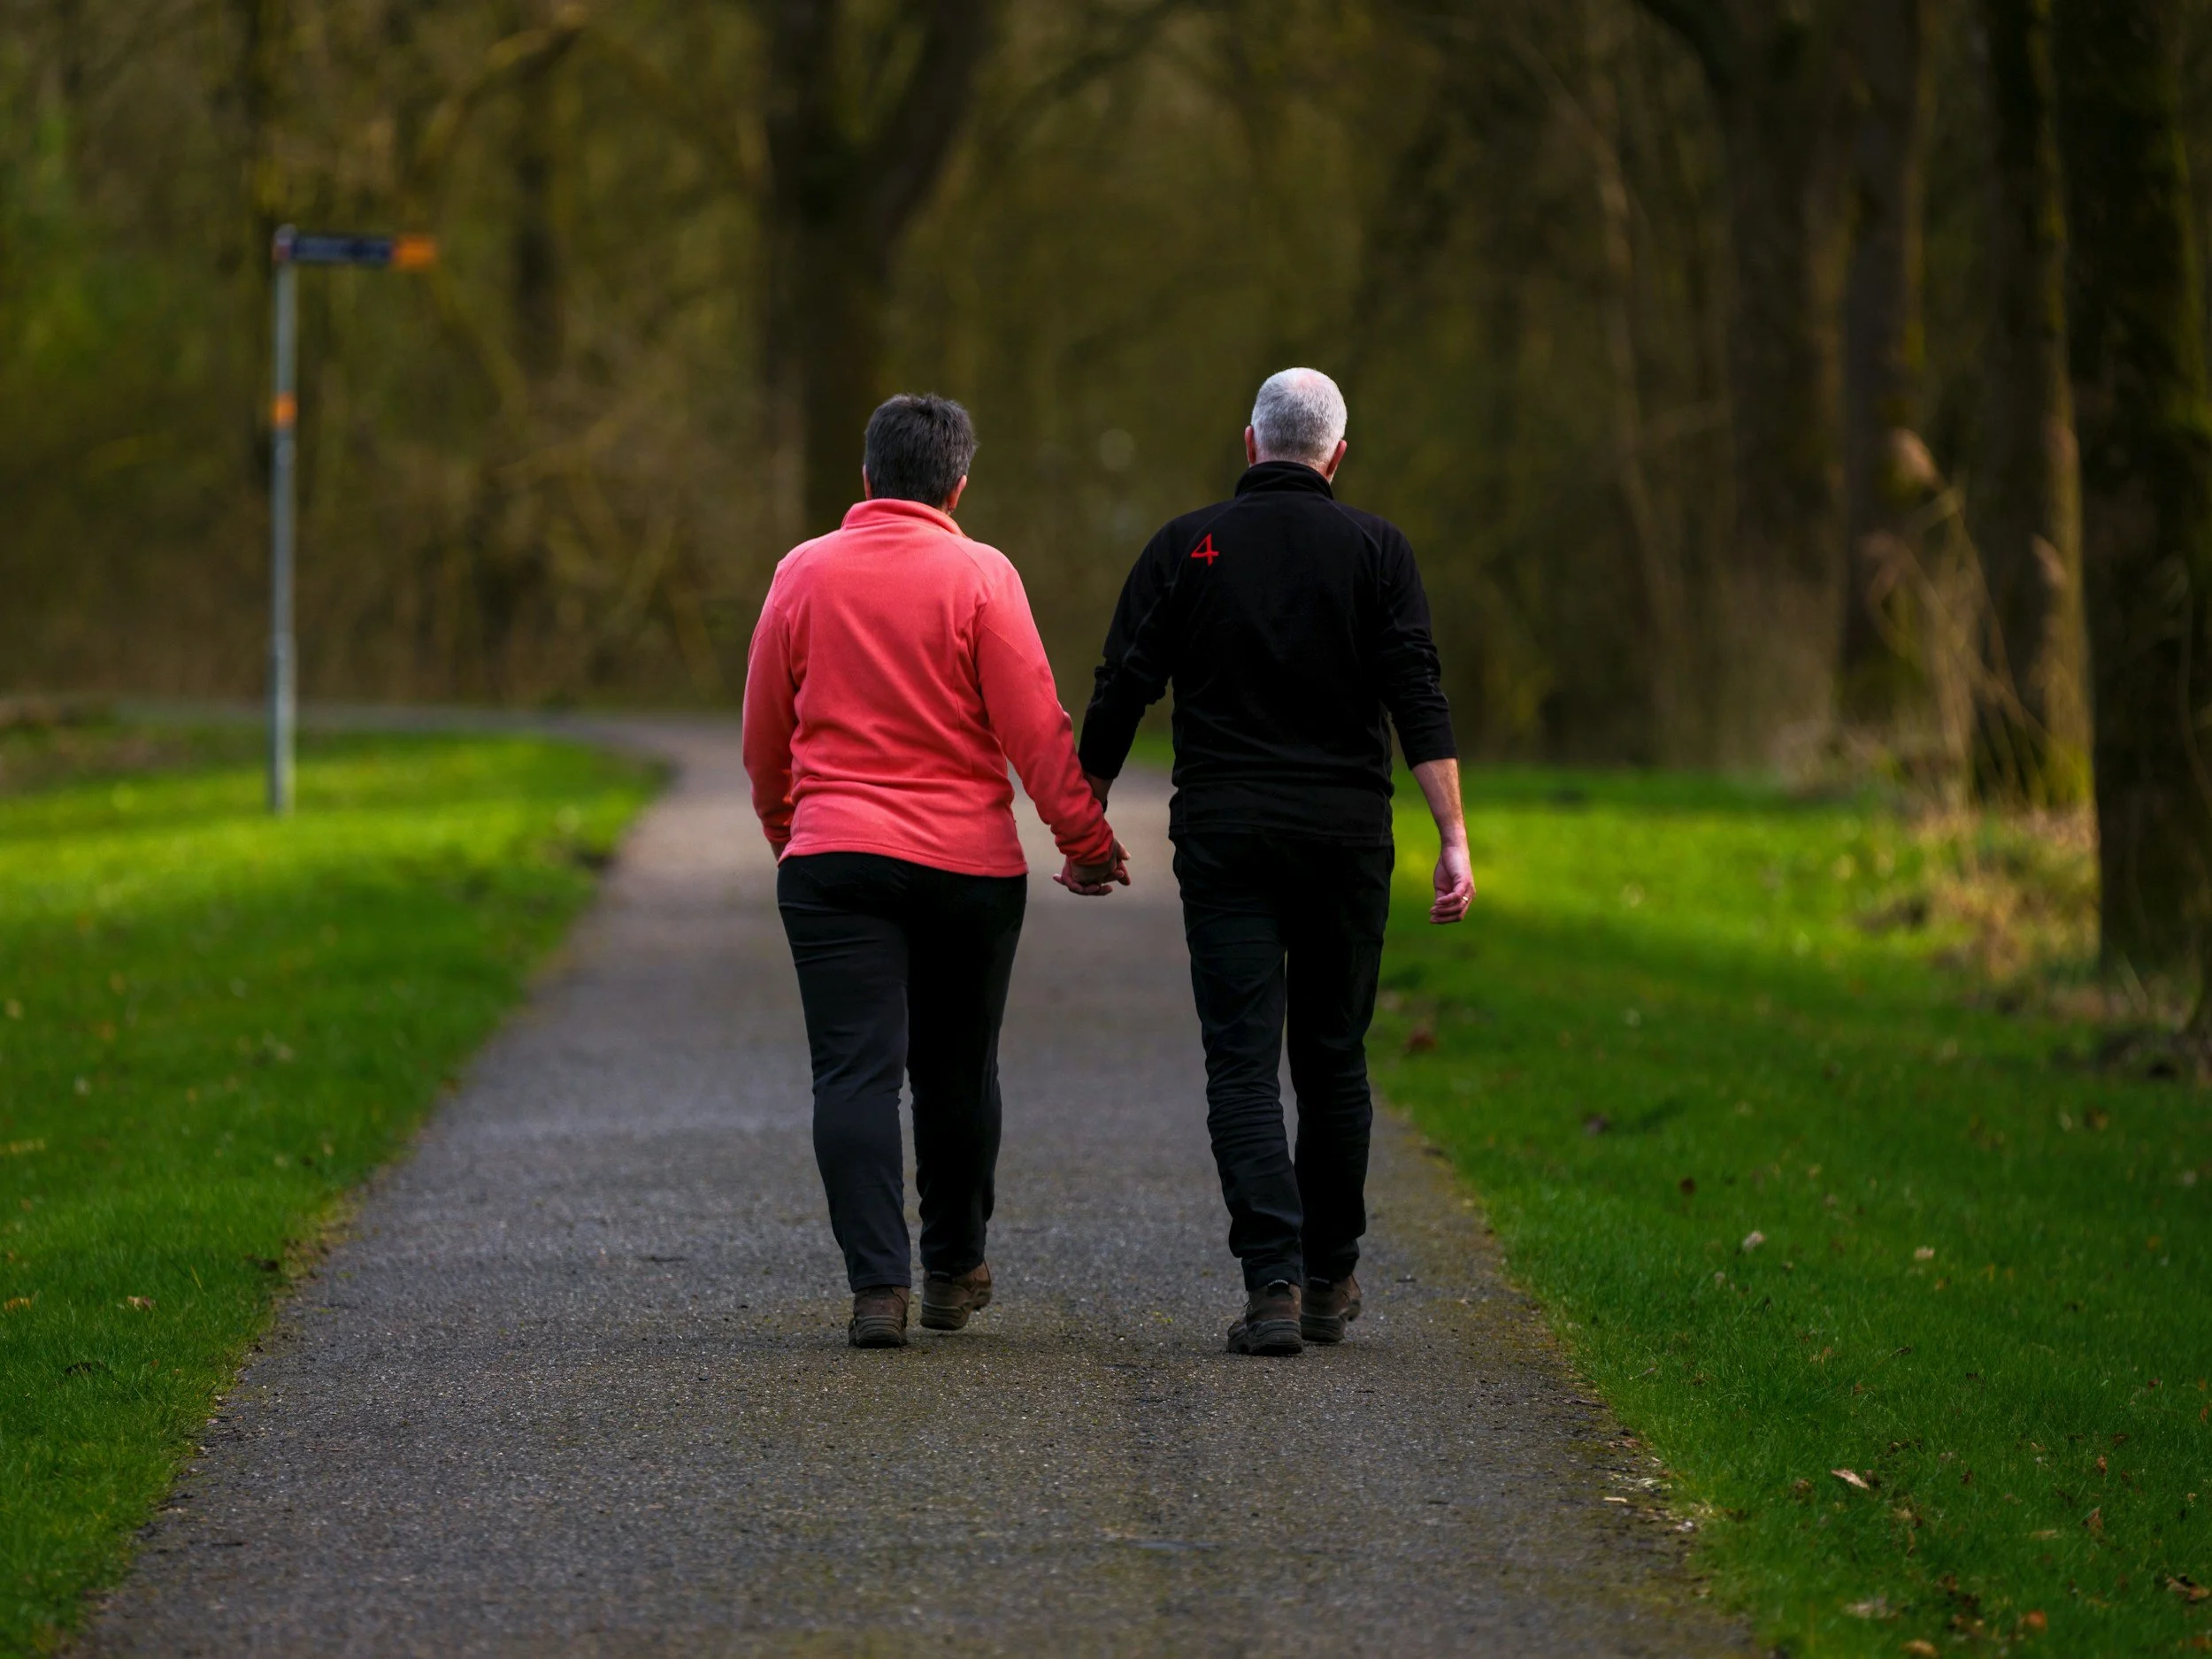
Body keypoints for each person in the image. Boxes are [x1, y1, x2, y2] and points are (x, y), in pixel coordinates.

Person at [1078, 367, 1472, 1357]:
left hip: (1227, 836)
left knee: (1242, 1062)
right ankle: (1333, 1278)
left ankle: (1273, 1288)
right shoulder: (1379, 551)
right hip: (1348, 839)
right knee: (1334, 1058)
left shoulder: (1186, 545)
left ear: (1249, 443)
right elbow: (1416, 696)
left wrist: (1082, 815)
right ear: (1336, 454)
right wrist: (1452, 837)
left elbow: (1124, 686)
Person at [743, 393, 1129, 1350]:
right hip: (967, 870)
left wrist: (789, 827)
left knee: (854, 1076)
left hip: (835, 863)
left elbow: (763, 730)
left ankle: (879, 1291)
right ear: (958, 486)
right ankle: (953, 1267)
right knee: (958, 1073)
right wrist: (1084, 840)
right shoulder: (982, 576)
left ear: (866, 478)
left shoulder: (802, 573)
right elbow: (1034, 727)